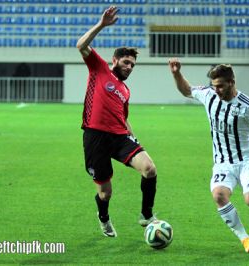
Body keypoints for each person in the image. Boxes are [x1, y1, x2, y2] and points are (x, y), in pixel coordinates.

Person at [168, 58, 249, 253]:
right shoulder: (209, 95)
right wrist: (176, 74)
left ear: (232, 82)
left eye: (221, 86)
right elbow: (187, 90)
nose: (216, 90)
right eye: (214, 86)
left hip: (247, 159)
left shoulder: (247, 104)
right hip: (222, 162)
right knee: (218, 195)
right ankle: (245, 239)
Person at [76, 6, 157, 238]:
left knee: (150, 169)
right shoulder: (99, 69)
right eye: (126, 62)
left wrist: (134, 137)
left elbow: (123, 117)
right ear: (114, 60)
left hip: (120, 137)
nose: (129, 67)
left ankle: (146, 214)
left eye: (132, 64)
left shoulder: (125, 90)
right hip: (95, 137)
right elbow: (81, 46)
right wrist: (101, 25)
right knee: (105, 193)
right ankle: (104, 218)